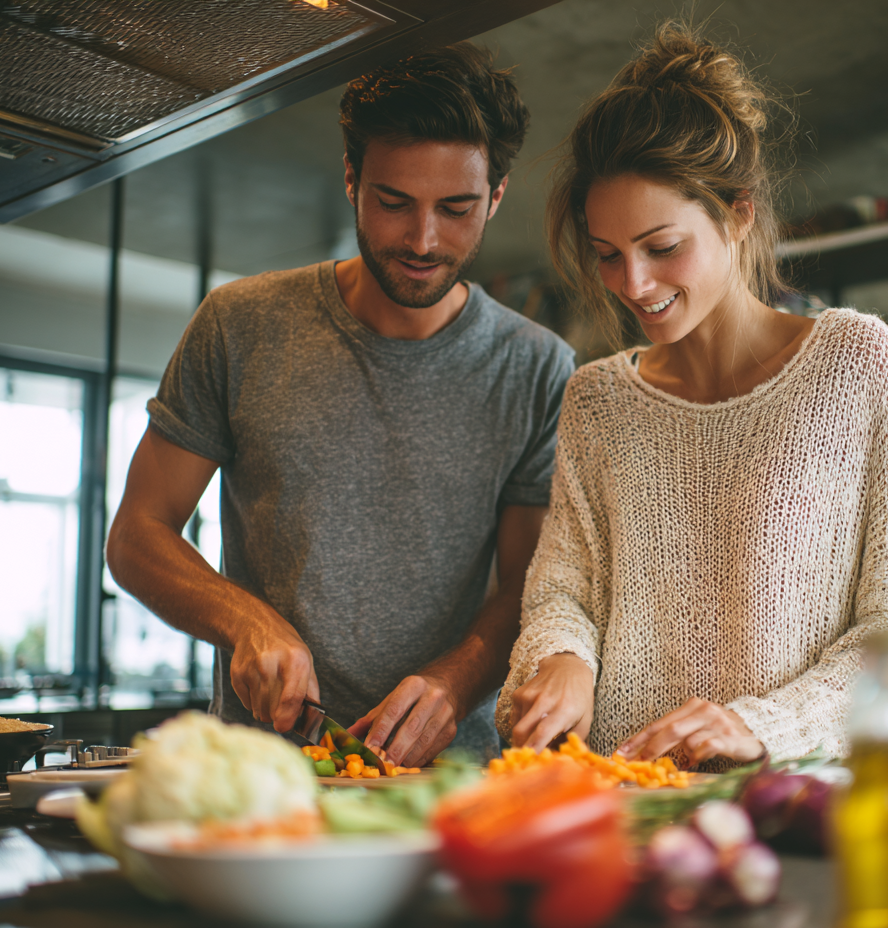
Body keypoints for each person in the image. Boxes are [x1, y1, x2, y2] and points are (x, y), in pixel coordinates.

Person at [495, 22, 888, 768]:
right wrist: (563, 657)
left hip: (791, 811)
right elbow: (562, 593)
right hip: (623, 806)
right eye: (608, 255)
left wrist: (763, 727)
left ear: (738, 213)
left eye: (662, 247)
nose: (633, 286)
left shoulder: (855, 363)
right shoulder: (597, 401)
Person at [107, 43, 575, 767]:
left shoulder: (539, 367)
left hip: (448, 782)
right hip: (261, 776)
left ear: (498, 196)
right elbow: (138, 535)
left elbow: (529, 586)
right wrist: (245, 620)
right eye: (394, 202)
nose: (423, 240)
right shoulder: (239, 324)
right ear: (352, 178)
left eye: (456, 209)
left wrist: (453, 685)